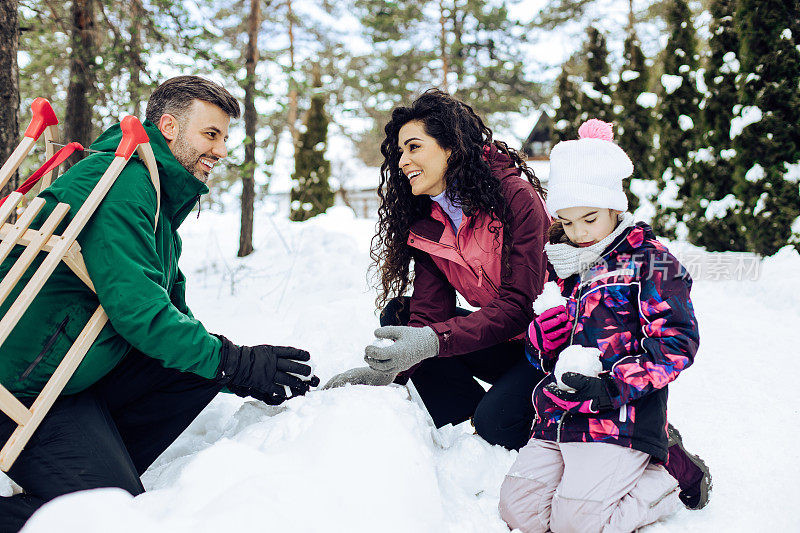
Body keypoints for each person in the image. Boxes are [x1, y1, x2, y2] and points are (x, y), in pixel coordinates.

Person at [0, 76, 317, 532]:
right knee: (108, 517)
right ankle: (88, 486)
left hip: (69, 377)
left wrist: (241, 370)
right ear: (168, 126)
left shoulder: (153, 194)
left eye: (225, 137)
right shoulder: (123, 184)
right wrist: (234, 363)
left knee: (197, 365)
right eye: (211, 134)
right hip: (24, 391)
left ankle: (97, 467)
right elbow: (141, 313)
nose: (222, 150)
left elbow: (175, 313)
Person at [498, 119, 706, 533]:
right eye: (568, 222)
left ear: (615, 206)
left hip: (620, 414)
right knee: (518, 512)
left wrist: (613, 386)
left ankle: (669, 472)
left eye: (590, 219)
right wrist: (540, 344)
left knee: (577, 524)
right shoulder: (567, 265)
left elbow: (678, 343)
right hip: (559, 412)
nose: (578, 233)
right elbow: (551, 354)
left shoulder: (652, 260)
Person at [325, 88, 552, 451]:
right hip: (501, 343)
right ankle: (466, 432)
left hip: (547, 349)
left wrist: (432, 341)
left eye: (414, 147)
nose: (402, 161)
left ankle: (501, 425)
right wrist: (389, 372)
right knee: (401, 314)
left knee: (497, 423)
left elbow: (520, 307)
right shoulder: (428, 220)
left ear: (450, 146)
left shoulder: (515, 198)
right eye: (400, 151)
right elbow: (430, 314)